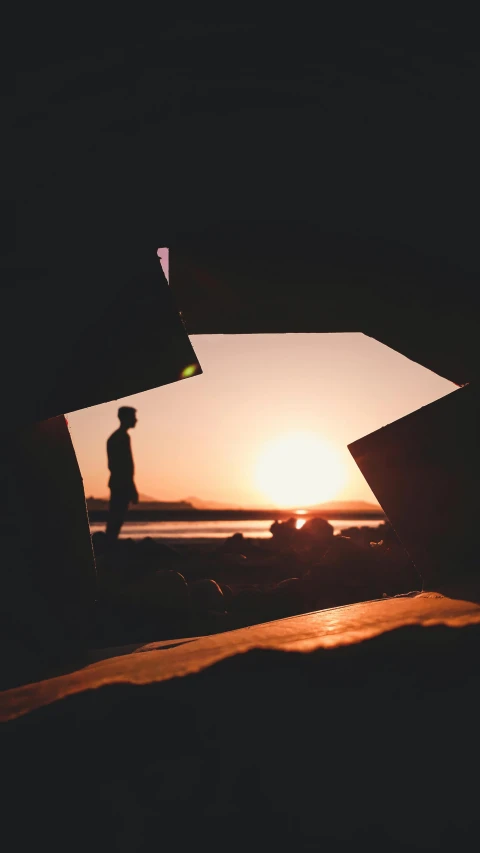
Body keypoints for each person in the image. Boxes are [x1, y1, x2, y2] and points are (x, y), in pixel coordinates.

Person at [105, 406, 139, 543]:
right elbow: (123, 466)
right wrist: (131, 487)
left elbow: (114, 465)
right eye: (133, 417)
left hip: (117, 482)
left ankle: (109, 545)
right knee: (117, 518)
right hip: (121, 484)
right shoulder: (122, 437)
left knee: (115, 517)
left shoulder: (114, 437)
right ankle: (108, 547)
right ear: (126, 418)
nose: (136, 420)